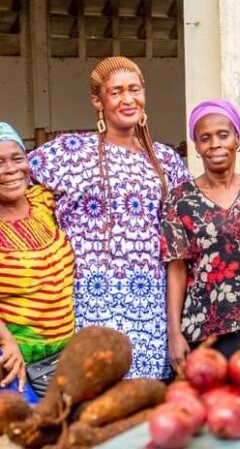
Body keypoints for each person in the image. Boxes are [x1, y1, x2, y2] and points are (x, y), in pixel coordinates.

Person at [27, 57, 192, 379]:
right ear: (97, 101)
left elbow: (184, 235)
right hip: (90, 301)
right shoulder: (70, 151)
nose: (128, 100)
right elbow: (13, 175)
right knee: (96, 398)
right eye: (116, 92)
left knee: (144, 401)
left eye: (135, 90)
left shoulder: (166, 159)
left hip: (152, 305)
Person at [161, 100, 240, 364]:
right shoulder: (179, 199)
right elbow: (176, 269)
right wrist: (174, 333)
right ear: (196, 147)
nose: (215, 144)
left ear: (238, 139)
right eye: (205, 138)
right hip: (202, 330)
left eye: (223, 135)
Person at [0, 123, 74, 392]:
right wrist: (5, 340)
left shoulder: (43, 202)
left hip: (64, 357)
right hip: (13, 362)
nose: (10, 170)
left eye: (16, 158)